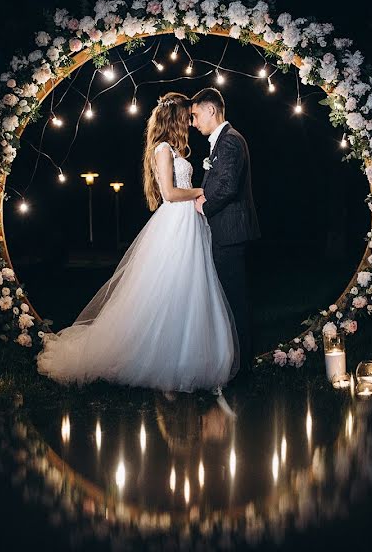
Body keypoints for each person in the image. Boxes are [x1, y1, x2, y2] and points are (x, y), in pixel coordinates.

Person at [37, 92, 239, 393]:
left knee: (190, 286)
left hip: (189, 223)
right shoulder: (161, 149)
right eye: (186, 116)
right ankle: (162, 357)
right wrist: (199, 192)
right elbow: (169, 194)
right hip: (176, 223)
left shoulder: (173, 149)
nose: (190, 121)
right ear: (174, 119)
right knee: (172, 286)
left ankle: (188, 354)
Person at [190, 88, 260, 375]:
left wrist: (202, 206)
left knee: (234, 299)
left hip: (230, 231)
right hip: (226, 230)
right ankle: (235, 361)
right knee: (229, 297)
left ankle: (242, 367)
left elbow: (227, 187)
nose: (193, 123)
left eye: (195, 115)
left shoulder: (230, 141)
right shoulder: (222, 141)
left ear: (211, 110)